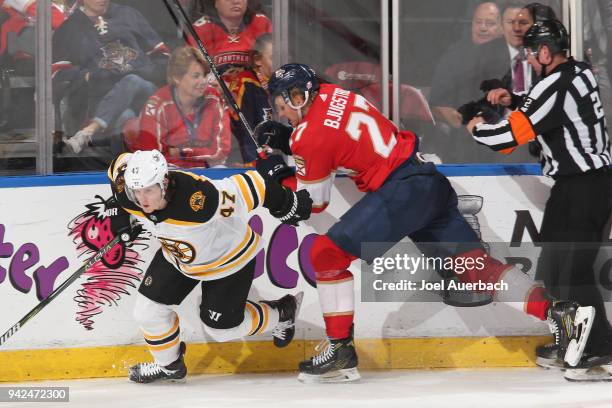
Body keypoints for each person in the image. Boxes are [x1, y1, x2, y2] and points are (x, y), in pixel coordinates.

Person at [254, 63, 595, 383]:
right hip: (427, 180)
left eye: (283, 103)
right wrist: (287, 140)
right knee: (475, 268)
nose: (282, 110)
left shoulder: (309, 136)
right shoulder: (335, 94)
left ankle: (340, 349)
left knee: (325, 256)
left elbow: (312, 203)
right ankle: (558, 312)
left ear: (298, 96)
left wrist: (276, 173)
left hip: (402, 192)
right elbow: (335, 133)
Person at [466, 20, 612, 381]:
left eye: (532, 53)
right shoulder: (577, 72)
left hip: (585, 187)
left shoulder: (555, 83)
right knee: (553, 266)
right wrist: (513, 100)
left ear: (546, 52)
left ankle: (599, 349)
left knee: (574, 272)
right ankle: (576, 341)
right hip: (578, 185)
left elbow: (506, 137)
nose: (529, 60)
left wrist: (475, 125)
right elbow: (553, 109)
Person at [106, 149, 313, 383]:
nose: (142, 200)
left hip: (227, 260)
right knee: (147, 313)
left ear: (164, 182)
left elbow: (255, 185)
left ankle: (282, 313)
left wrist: (288, 202)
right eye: (137, 192)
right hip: (178, 256)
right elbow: (117, 179)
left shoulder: (199, 200)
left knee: (222, 330)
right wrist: (118, 214)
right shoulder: (127, 186)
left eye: (149, 191)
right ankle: (169, 366)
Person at [52, 0, 169, 154]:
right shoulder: (69, 30)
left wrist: (146, 69)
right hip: (103, 101)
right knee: (126, 117)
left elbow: (163, 54)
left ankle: (89, 131)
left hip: (145, 94)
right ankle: (126, 170)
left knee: (132, 80)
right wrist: (87, 76)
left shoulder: (129, 15)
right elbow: (57, 74)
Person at [133, 46, 232, 168]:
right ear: (177, 78)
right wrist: (199, 154)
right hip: (169, 173)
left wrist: (182, 151)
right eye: (196, 76)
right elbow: (152, 159)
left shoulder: (213, 97)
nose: (203, 82)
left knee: (220, 169)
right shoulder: (157, 105)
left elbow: (221, 150)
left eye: (205, 75)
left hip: (206, 169)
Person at [190, 0, 271, 84]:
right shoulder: (200, 29)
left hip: (256, 91)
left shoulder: (261, 23)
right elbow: (192, 72)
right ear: (215, 2)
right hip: (216, 93)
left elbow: (274, 64)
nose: (236, 1)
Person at [227, 33, 273, 164]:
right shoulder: (245, 83)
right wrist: (251, 165)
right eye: (273, 57)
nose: (281, 61)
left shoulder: (285, 82)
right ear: (258, 59)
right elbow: (243, 130)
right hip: (253, 163)